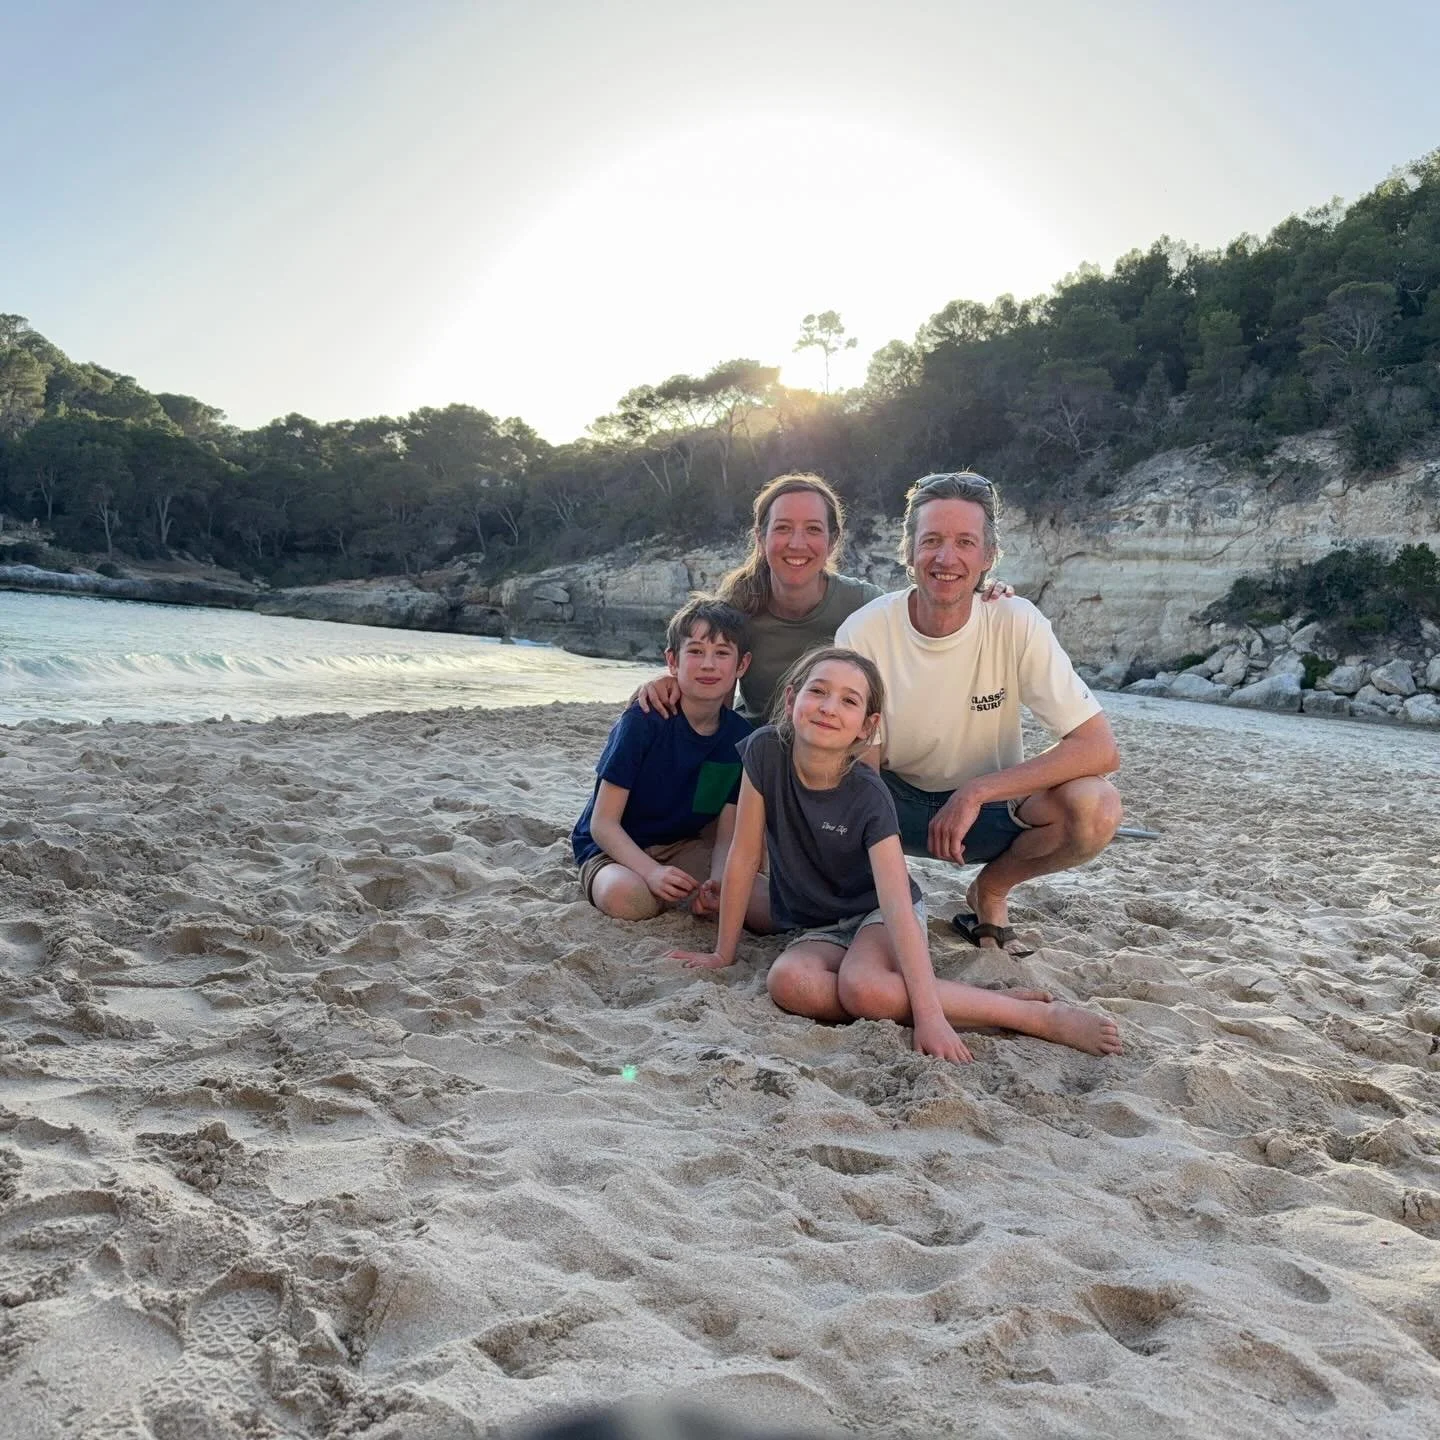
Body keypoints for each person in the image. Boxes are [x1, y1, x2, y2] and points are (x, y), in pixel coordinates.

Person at [669, 647, 1122, 1061]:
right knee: (790, 983)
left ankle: (1030, 1017)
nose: (829, 707)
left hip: (877, 915)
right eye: (818, 692)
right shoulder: (765, 750)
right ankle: (964, 1000)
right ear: (792, 700)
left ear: (867, 726)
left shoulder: (868, 794)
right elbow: (745, 857)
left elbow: (896, 903)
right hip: (816, 920)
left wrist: (929, 1018)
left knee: (865, 989)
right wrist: (723, 954)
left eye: (849, 701)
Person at [835, 471, 1124, 953]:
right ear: (908, 552)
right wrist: (890, 894)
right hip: (892, 804)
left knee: (1098, 807)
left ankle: (989, 892)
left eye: (966, 542)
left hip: (986, 813)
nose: (947, 558)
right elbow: (861, 772)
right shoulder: (865, 631)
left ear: (988, 556)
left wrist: (977, 791)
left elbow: (1099, 748)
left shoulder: (1014, 620)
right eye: (931, 541)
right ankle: (878, 898)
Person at [636, 472, 1012, 724]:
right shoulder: (737, 607)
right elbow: (711, 698)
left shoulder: (865, 604)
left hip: (832, 755)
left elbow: (926, 627)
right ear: (760, 538)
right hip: (754, 754)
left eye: (813, 530)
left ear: (832, 540)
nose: (796, 544)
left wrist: (981, 590)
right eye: (782, 529)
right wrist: (665, 684)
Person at [571, 597, 769, 925]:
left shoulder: (739, 738)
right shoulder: (644, 720)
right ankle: (650, 888)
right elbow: (602, 824)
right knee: (630, 899)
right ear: (672, 661)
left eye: (722, 653)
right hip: (614, 847)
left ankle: (686, 896)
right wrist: (651, 873)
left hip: (681, 847)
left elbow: (726, 834)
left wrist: (717, 886)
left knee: (765, 907)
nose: (708, 664)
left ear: (741, 665)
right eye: (695, 651)